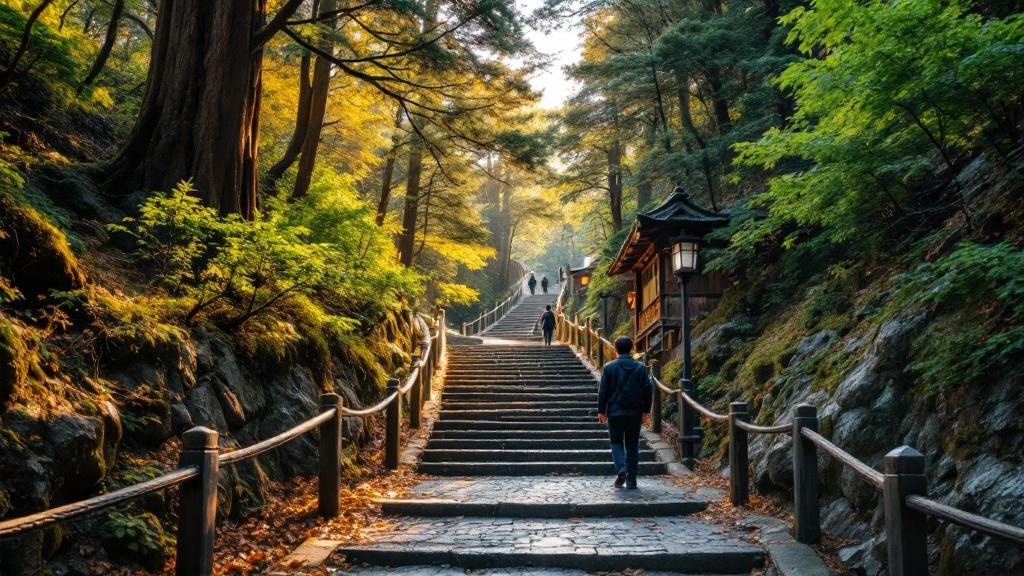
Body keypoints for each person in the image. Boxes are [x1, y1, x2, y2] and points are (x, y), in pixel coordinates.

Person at [597, 336, 653, 489]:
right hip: (635, 413)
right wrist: (646, 411)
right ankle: (631, 480)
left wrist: (601, 410)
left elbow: (603, 391)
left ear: (616, 350)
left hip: (615, 412)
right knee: (632, 445)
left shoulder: (609, 367)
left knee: (616, 442)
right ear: (631, 349)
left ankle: (622, 469)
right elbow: (648, 390)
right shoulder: (641, 368)